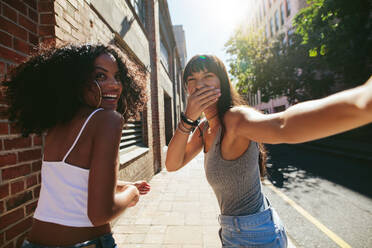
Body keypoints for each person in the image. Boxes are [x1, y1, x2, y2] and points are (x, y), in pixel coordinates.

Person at [165, 54, 372, 247]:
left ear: (222, 83)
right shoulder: (203, 128)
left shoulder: (235, 119)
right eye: (191, 79)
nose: (199, 84)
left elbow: (283, 125)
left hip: (257, 236)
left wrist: (362, 102)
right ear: (187, 88)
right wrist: (187, 119)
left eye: (208, 76)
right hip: (231, 232)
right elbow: (172, 164)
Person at [3, 43, 151, 248]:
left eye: (117, 76)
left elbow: (74, 180)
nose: (115, 85)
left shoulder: (58, 125)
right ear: (76, 81)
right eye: (100, 76)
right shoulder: (108, 120)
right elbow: (101, 214)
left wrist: (124, 185)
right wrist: (131, 195)